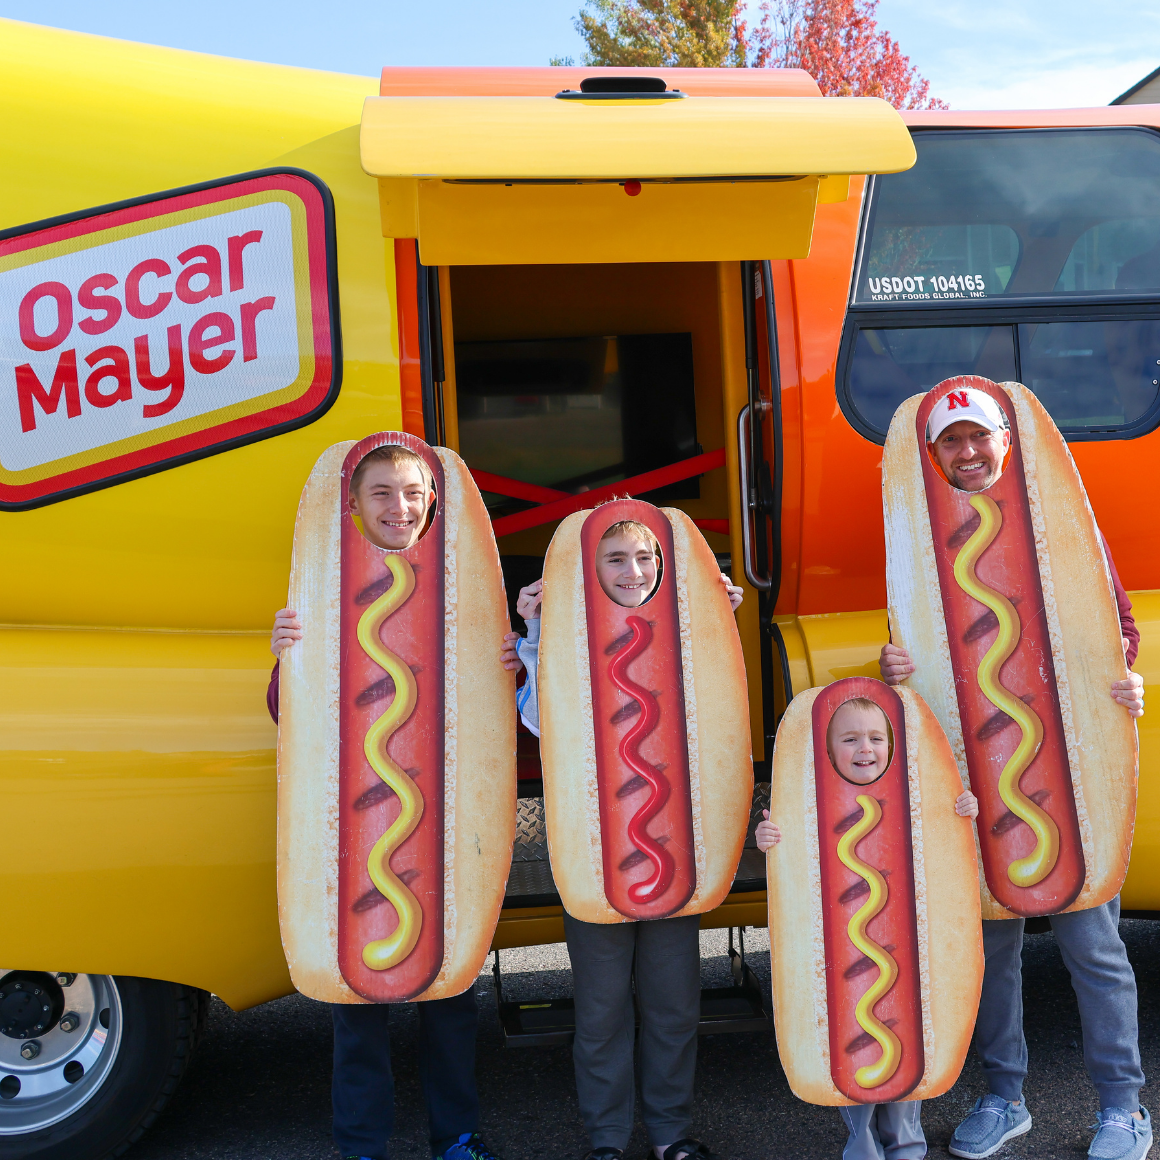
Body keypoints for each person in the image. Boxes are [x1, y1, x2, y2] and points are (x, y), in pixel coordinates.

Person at [879, 387, 1150, 1160]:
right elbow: (918, 656)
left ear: (1006, 440)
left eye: (978, 437)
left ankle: (1124, 1108)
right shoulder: (919, 544)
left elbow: (1118, 628)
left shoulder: (1063, 528)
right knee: (992, 953)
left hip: (1070, 778)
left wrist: (1119, 677)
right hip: (976, 787)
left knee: (1094, 947)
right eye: (950, 443)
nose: (967, 453)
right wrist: (894, 665)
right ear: (934, 456)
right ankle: (1006, 1096)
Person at [269, 443, 503, 1160]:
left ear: (432, 499)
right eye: (381, 493)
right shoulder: (322, 587)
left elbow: (495, 714)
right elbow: (290, 714)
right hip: (353, 825)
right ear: (354, 503)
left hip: (445, 825)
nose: (398, 507)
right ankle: (361, 1144)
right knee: (355, 1000)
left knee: (450, 994)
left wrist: (511, 666)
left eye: (411, 492)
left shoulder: (463, 584)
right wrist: (287, 658)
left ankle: (455, 1136)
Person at [500, 516, 743, 1160]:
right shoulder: (569, 637)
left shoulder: (688, 628)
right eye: (614, 560)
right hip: (593, 849)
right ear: (590, 570)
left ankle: (670, 1133)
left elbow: (718, 713)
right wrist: (535, 632)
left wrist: (721, 619)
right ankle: (606, 1137)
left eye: (643, 558)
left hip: (674, 849)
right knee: (602, 1009)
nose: (631, 572)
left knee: (672, 1006)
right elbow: (539, 725)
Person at [755, 695, 979, 1160]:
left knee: (906, 1022)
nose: (865, 749)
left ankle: (906, 1141)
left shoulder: (917, 791)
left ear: (892, 745)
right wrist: (770, 840)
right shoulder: (809, 799)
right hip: (844, 947)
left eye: (876, 738)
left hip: (906, 941)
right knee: (849, 1031)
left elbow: (946, 854)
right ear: (828, 748)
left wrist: (961, 809)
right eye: (850, 739)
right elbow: (793, 868)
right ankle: (860, 1140)